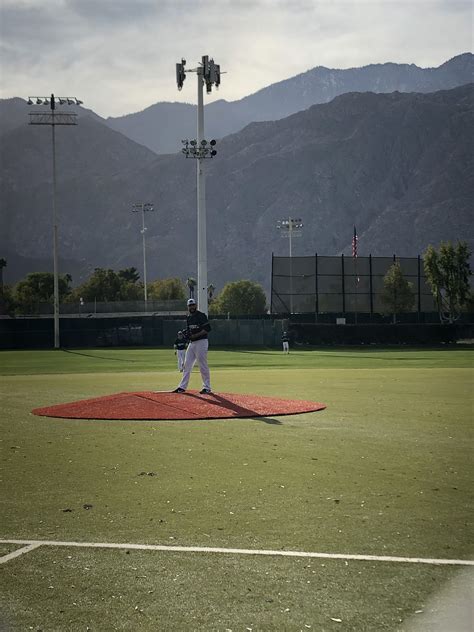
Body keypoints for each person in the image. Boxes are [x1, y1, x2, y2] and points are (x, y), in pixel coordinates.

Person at [172, 298, 212, 394]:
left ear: (196, 305)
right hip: (192, 343)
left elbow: (207, 329)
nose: (192, 307)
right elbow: (189, 330)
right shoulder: (189, 317)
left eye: (193, 305)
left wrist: (195, 335)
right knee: (187, 365)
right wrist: (185, 333)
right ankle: (182, 387)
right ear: (188, 307)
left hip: (201, 342)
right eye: (190, 305)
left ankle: (207, 387)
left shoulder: (201, 316)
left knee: (202, 364)